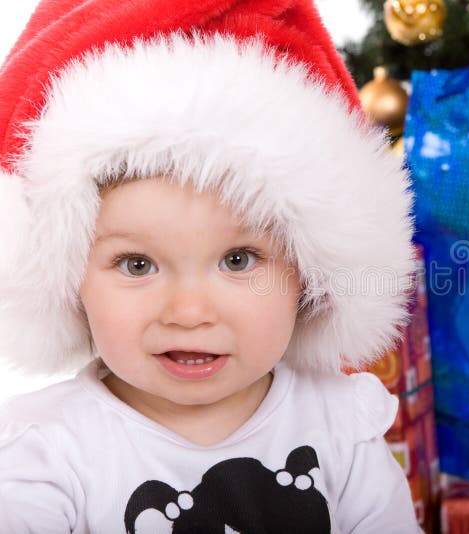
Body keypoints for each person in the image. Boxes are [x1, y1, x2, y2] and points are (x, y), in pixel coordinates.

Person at [0, 1, 419, 532]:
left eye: (238, 260)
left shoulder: (341, 427)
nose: (189, 312)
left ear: (309, 274)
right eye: (136, 264)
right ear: (65, 276)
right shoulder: (44, 455)